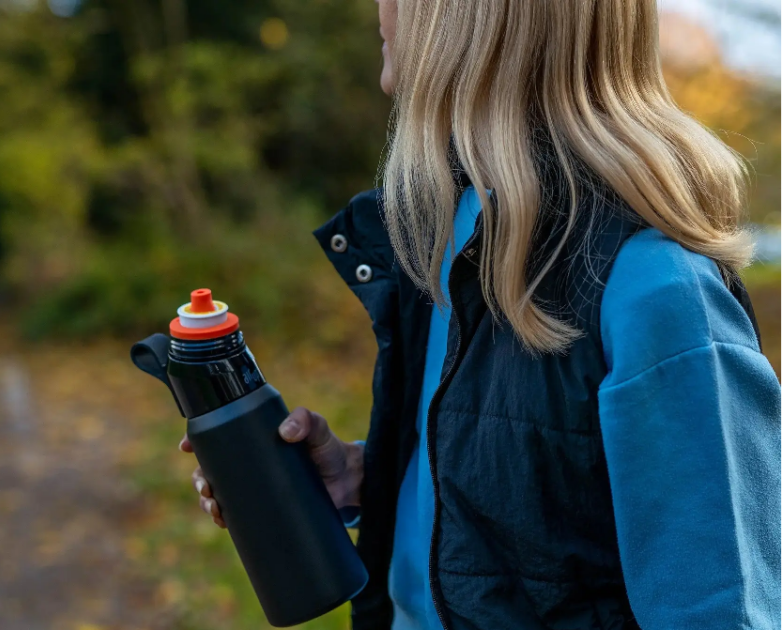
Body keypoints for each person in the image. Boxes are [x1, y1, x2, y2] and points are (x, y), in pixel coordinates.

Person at [180, 0, 782, 628]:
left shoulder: (656, 289)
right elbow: (526, 483)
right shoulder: (448, 228)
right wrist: (367, 478)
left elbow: (722, 609)